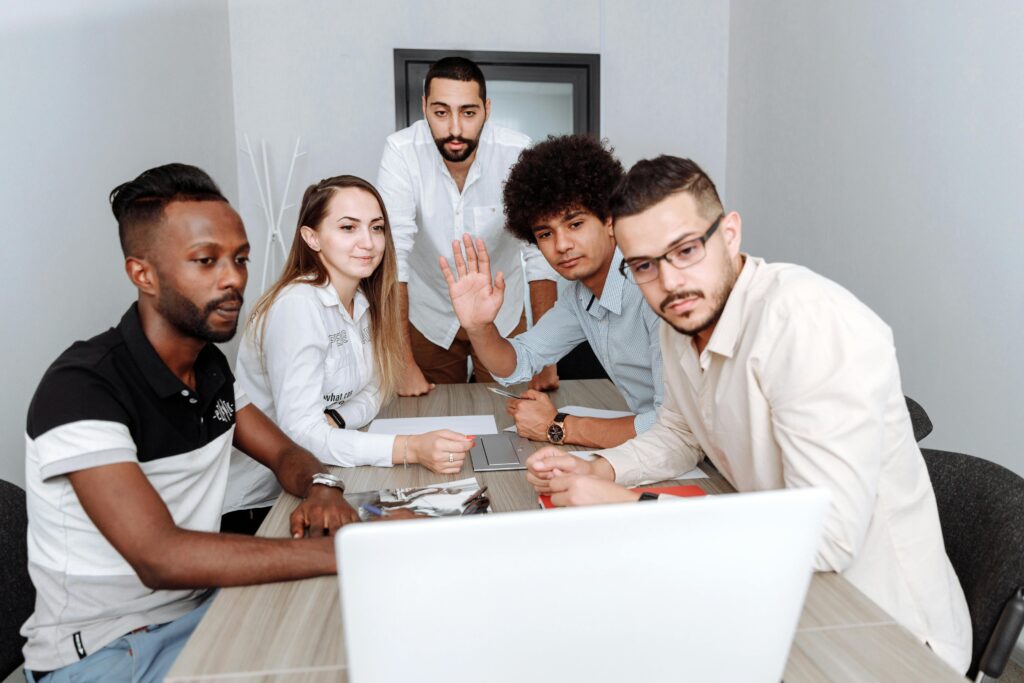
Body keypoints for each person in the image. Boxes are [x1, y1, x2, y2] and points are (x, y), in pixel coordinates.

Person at [525, 156, 972, 673]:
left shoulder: (807, 324)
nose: (670, 282)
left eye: (687, 250)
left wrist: (629, 503)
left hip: (882, 632)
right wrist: (597, 469)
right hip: (780, 586)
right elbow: (677, 432)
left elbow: (827, 540)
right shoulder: (681, 320)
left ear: (730, 233)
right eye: (645, 265)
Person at [21, 164, 361, 683]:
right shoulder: (82, 387)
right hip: (106, 651)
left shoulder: (209, 366)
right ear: (143, 274)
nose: (233, 279)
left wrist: (322, 486)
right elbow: (161, 557)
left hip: (199, 613)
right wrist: (346, 550)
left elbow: (285, 454)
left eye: (240, 259)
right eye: (206, 261)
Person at [222, 175, 475, 527]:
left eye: (376, 228)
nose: (367, 242)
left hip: (330, 472)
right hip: (264, 502)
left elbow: (377, 389)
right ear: (312, 238)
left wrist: (337, 419)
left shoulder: (362, 301)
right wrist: (408, 449)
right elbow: (301, 436)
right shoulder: (298, 306)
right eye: (347, 227)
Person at [439, 135, 664, 449]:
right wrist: (479, 328)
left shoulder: (657, 289)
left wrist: (557, 426)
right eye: (545, 233)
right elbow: (519, 361)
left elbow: (671, 425)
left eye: (575, 224)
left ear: (610, 219)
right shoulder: (578, 296)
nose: (561, 246)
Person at [376, 56, 558, 395]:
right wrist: (401, 361)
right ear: (424, 106)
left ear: (487, 109)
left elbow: (539, 255)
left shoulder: (516, 151)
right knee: (430, 417)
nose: (455, 129)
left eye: (469, 113)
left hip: (501, 314)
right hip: (427, 313)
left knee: (515, 415)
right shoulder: (401, 152)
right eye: (441, 112)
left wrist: (546, 356)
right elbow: (393, 257)